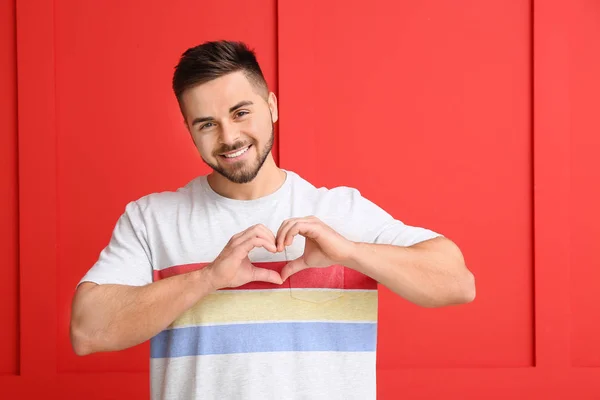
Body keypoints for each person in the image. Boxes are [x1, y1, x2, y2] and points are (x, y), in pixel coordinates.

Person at [70, 40, 476, 400]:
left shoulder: (341, 212)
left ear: (272, 106)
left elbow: (457, 283)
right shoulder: (151, 218)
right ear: (190, 132)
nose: (228, 137)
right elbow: (88, 331)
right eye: (207, 124)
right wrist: (208, 278)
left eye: (241, 112)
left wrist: (350, 252)